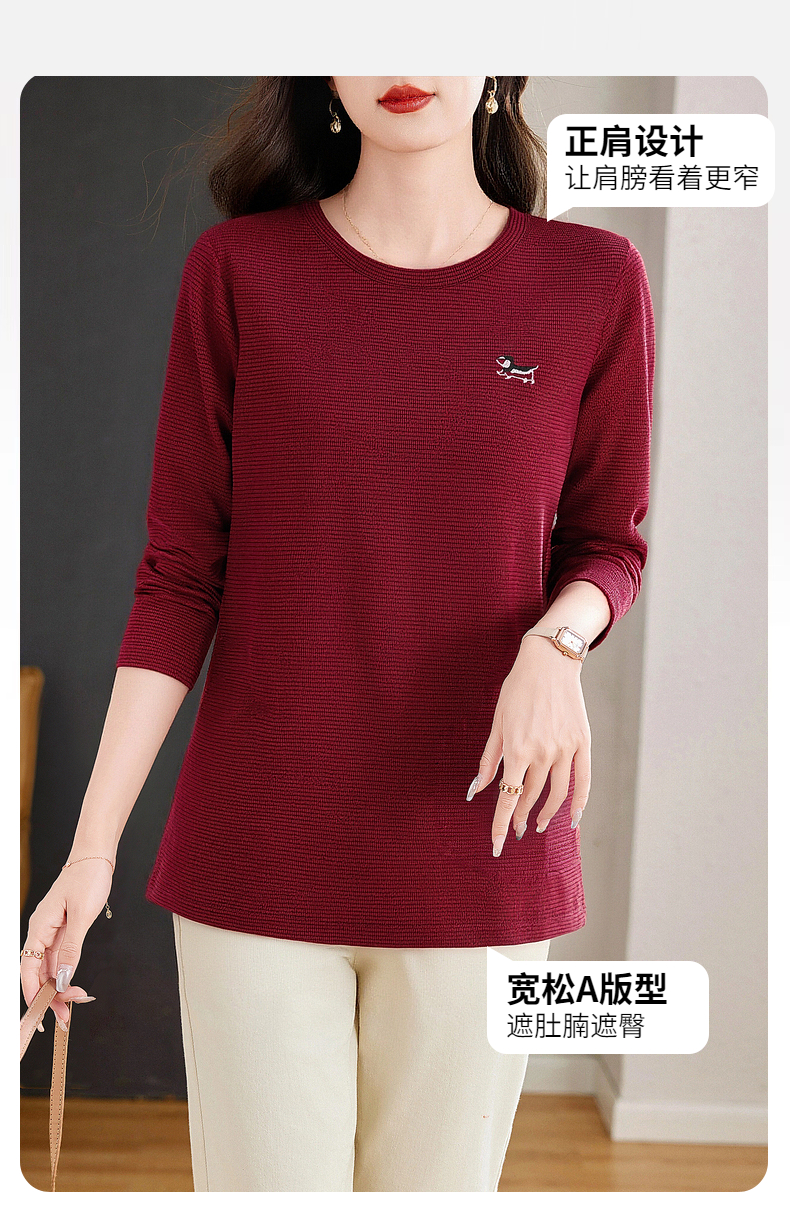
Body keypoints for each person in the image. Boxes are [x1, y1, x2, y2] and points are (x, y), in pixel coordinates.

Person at [20, 76, 654, 1193]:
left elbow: (610, 541)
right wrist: (89, 852)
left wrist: (555, 645)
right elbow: (180, 576)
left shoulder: (593, 280)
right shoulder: (240, 273)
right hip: (258, 853)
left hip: (482, 849)